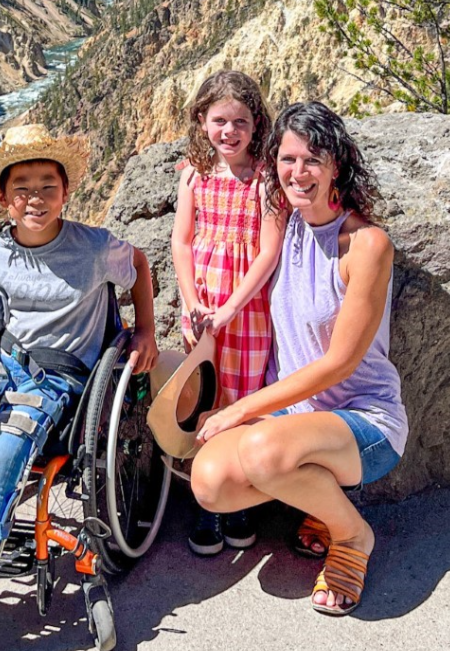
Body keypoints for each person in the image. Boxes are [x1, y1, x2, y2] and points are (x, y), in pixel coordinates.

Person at [0, 124, 159, 651]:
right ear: (4, 198)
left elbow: (140, 266)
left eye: (47, 185)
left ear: (65, 192)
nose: (36, 197)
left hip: (60, 379)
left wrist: (143, 330)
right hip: (7, 362)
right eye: (23, 187)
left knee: (7, 442)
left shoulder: (94, 247)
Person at [190, 101, 408, 616]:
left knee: (264, 451)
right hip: (293, 419)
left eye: (313, 159)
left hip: (363, 423)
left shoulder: (366, 245)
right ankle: (317, 496)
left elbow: (338, 365)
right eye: (288, 160)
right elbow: (221, 180)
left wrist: (239, 410)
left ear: (338, 165)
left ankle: (351, 534)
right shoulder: (283, 225)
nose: (298, 172)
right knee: (209, 483)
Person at [171, 70, 285, 556]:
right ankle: (208, 498)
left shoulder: (265, 179)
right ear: (202, 121)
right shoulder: (194, 176)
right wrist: (193, 301)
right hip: (202, 308)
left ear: (256, 125)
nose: (229, 131)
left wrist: (232, 306)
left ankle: (239, 498)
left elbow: (268, 251)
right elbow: (181, 240)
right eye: (219, 120)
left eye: (240, 121)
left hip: (248, 307)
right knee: (204, 397)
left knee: (243, 399)